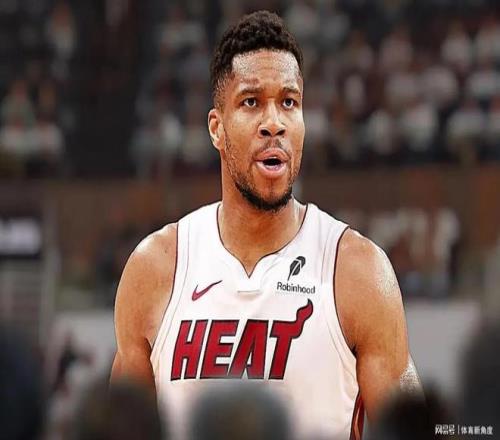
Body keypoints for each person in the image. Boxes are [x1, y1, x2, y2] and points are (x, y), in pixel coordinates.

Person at [111, 11, 422, 439]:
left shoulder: (358, 272)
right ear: (216, 128)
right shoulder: (156, 269)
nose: (274, 122)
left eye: (289, 102)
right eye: (251, 102)